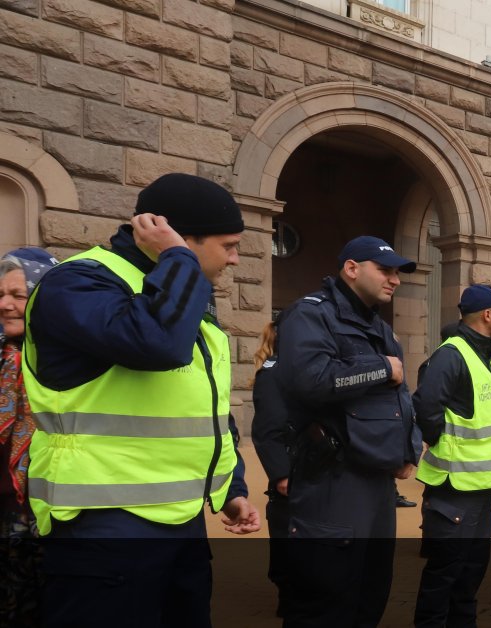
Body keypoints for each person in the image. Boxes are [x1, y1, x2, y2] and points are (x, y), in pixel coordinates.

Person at [23, 173, 260, 627]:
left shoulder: (178, 294)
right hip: (103, 527)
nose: (234, 259)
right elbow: (158, 346)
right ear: (175, 237)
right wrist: (178, 260)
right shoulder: (77, 283)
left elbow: (203, 409)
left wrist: (229, 488)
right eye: (228, 245)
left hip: (180, 522)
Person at [276, 235, 421, 628]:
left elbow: (402, 397)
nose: (396, 280)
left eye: (398, 272)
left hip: (376, 482)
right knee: (326, 601)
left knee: (369, 594)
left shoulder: (381, 328)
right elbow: (311, 380)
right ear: (352, 268)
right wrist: (381, 368)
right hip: (331, 481)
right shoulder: (310, 315)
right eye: (386, 270)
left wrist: (408, 451)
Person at [412, 284, 491, 628]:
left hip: (479, 486)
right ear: (487, 314)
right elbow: (426, 408)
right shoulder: (453, 353)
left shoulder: (485, 354)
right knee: (445, 571)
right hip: (454, 487)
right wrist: (441, 444)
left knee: (471, 572)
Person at [0, 248, 55, 627]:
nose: (5, 305)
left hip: (55, 514)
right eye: (0, 294)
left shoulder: (69, 357)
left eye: (18, 295)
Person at [249, 319, 294, 618]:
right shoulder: (273, 373)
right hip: (292, 475)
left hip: (316, 471)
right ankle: (288, 597)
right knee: (288, 542)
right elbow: (267, 431)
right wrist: (281, 474)